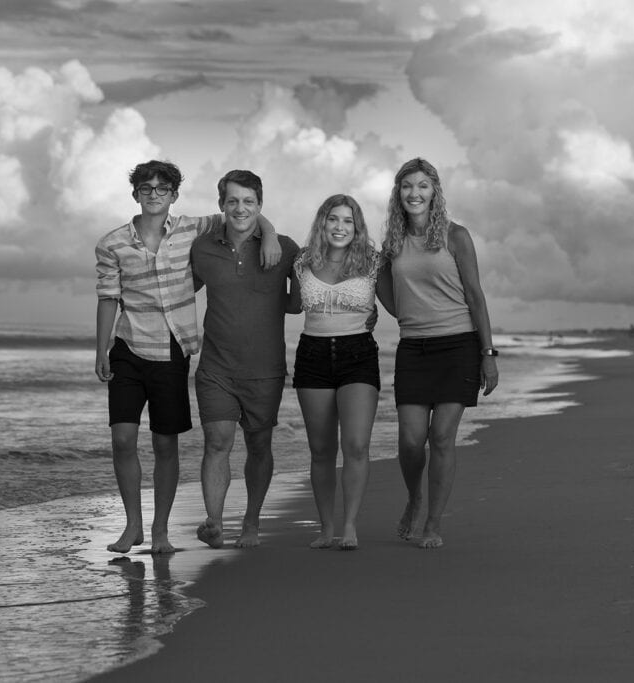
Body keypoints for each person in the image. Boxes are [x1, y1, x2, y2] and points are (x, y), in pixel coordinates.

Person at [95, 160, 280, 554]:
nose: (154, 195)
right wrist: (102, 349)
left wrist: (271, 237)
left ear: (174, 195)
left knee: (165, 445)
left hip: (173, 352)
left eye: (163, 189)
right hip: (128, 348)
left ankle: (160, 531)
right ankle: (133, 525)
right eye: (147, 189)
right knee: (123, 439)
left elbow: (245, 217)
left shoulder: (192, 229)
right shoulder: (112, 243)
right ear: (135, 194)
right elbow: (108, 296)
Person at [376, 157, 499, 549]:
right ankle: (414, 499)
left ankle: (432, 522)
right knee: (412, 442)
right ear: (399, 193)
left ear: (434, 191)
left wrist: (488, 352)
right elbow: (393, 302)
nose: (415, 193)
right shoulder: (392, 245)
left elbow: (476, 296)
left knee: (442, 436)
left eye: (423, 185)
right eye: (407, 186)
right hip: (414, 348)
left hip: (459, 346)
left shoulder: (455, 235)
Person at [190, 169, 300, 549]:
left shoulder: (285, 249)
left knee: (259, 446)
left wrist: (268, 235)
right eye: (232, 201)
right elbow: (180, 291)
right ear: (221, 204)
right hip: (216, 368)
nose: (240, 208)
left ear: (260, 205)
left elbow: (298, 304)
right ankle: (215, 522)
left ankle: (251, 523)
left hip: (264, 370)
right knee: (216, 441)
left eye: (248, 201)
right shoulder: (201, 248)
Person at [288, 195, 381, 550]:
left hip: (357, 352)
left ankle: (350, 526)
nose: (340, 227)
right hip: (312, 354)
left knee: (356, 444)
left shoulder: (372, 261)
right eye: (333, 219)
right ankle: (326, 529)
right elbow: (289, 303)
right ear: (322, 223)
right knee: (321, 449)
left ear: (356, 228)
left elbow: (394, 298)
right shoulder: (301, 260)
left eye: (348, 221)